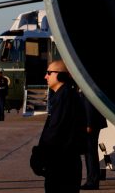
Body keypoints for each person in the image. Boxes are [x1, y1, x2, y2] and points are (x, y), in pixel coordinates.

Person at [37, 60, 87, 193]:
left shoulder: (64, 98)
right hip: (64, 162)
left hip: (61, 165)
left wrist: (40, 156)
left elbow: (55, 132)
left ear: (61, 76)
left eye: (49, 73)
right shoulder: (63, 95)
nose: (45, 76)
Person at [80, 92, 107, 190]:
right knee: (90, 153)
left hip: (91, 124)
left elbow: (89, 105)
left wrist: (89, 124)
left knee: (90, 153)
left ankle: (92, 181)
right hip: (91, 123)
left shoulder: (87, 88)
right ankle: (91, 179)